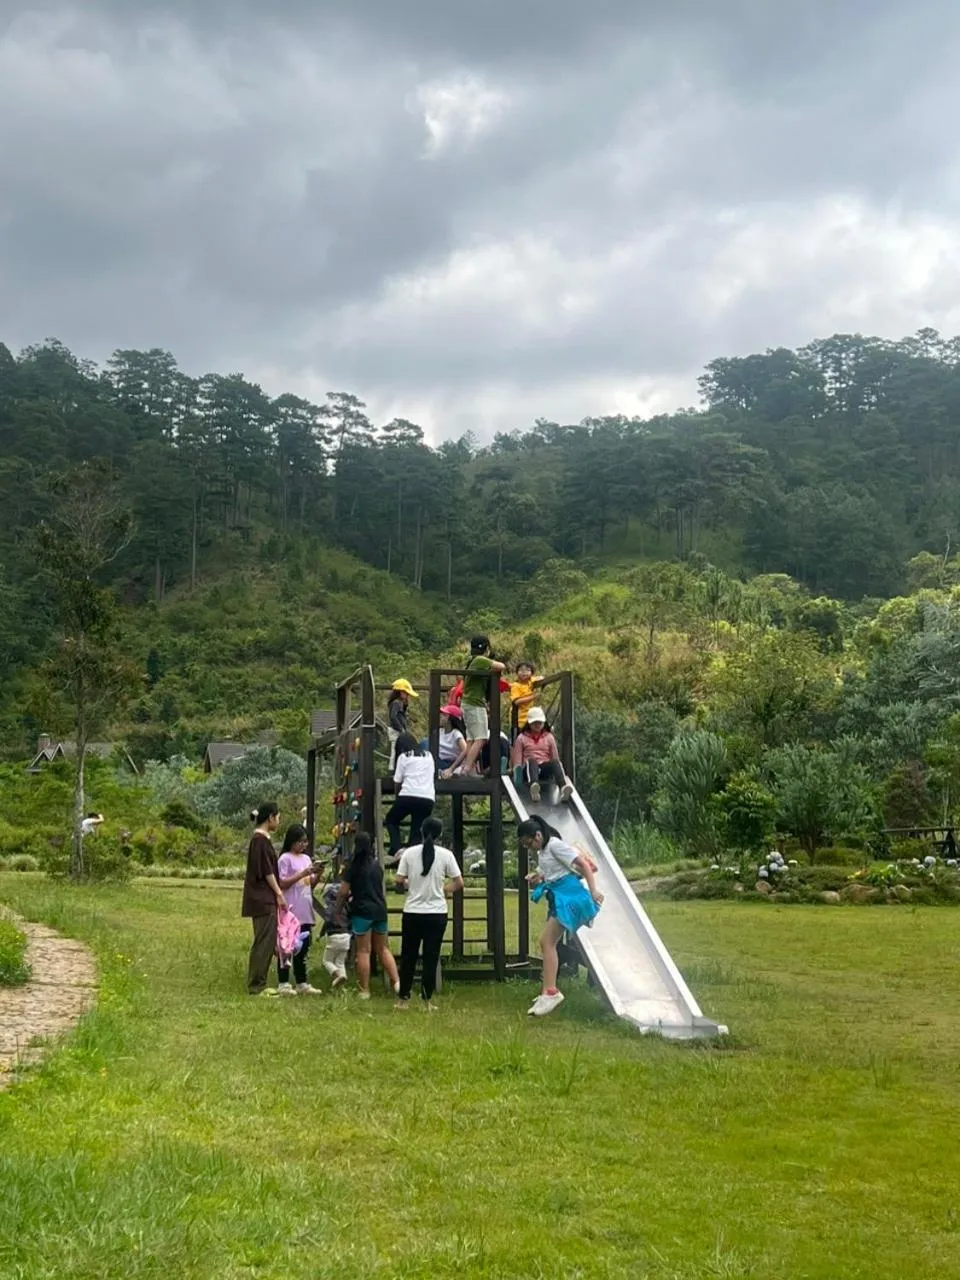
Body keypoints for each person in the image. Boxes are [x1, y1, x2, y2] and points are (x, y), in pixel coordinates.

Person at [517, 814, 604, 1017]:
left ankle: (551, 993)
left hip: (570, 896)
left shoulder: (555, 845)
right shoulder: (544, 850)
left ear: (537, 835)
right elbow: (552, 871)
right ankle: (546, 992)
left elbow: (582, 864)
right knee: (548, 943)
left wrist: (593, 891)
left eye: (528, 843)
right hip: (559, 896)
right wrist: (537, 877)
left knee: (546, 942)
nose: (528, 848)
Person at [241, 803, 315, 997]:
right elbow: (267, 871)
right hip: (262, 899)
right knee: (264, 942)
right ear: (270, 818)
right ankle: (257, 986)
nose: (279, 821)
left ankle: (261, 983)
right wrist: (279, 893)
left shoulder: (262, 840)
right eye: (278, 817)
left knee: (266, 941)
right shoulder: (260, 841)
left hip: (265, 899)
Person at [394, 816, 464, 1010]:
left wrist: (410, 885)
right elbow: (459, 883)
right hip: (436, 913)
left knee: (408, 956)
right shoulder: (446, 855)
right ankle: (427, 1000)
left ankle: (403, 999)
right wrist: (443, 890)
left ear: (421, 831)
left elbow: (399, 881)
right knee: (431, 957)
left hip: (412, 912)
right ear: (440, 834)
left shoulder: (409, 854)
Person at [335, 832, 400, 999]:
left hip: (362, 912)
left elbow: (343, 892)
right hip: (379, 910)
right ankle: (397, 982)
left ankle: (364, 990)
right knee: (383, 948)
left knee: (363, 951)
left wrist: (337, 910)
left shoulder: (352, 866)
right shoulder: (377, 866)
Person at [276, 824, 324, 996]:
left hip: (305, 908)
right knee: (287, 946)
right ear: (292, 841)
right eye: (300, 841)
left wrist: (317, 874)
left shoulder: (306, 858)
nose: (304, 845)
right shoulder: (285, 859)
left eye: (305, 841)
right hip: (290, 908)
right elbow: (282, 883)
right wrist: (303, 873)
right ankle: (283, 982)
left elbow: (310, 884)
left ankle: (301, 981)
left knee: (303, 948)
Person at [458, 636, 506, 777]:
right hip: (475, 704)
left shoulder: (471, 660)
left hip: (469, 704)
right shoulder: (480, 660)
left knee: (472, 740)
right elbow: (501, 666)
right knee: (481, 738)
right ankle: (467, 770)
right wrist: (491, 658)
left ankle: (467, 769)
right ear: (486, 648)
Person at [385, 733, 435, 862]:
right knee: (417, 829)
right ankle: (413, 857)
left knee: (391, 820)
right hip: (427, 798)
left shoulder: (404, 756)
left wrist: (397, 797)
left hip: (408, 795)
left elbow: (397, 782)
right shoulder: (429, 756)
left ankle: (397, 848)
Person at [510, 707, 573, 804]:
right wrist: (516, 773)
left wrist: (555, 770)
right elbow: (518, 761)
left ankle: (563, 787)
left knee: (555, 762)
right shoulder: (521, 738)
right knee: (532, 761)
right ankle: (534, 787)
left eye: (539, 722)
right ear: (529, 723)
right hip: (528, 770)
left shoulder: (549, 737)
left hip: (543, 769)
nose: (537, 725)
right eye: (535, 723)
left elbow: (555, 757)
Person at [320, 875, 352, 989]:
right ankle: (342, 983)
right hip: (346, 937)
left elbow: (327, 923)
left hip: (334, 937)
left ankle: (337, 975)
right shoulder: (346, 908)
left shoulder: (330, 909)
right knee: (340, 962)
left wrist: (320, 934)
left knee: (327, 961)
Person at [387, 678, 418, 768]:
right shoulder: (396, 703)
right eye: (406, 693)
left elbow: (402, 715)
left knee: (398, 749)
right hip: (396, 730)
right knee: (395, 750)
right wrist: (401, 729)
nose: (408, 695)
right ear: (400, 692)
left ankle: (398, 767)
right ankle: (393, 768)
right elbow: (393, 717)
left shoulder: (400, 703)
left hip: (398, 730)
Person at [510, 661, 543, 735]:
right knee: (518, 740)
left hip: (530, 718)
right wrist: (533, 696)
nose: (524, 672)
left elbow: (540, 678)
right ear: (517, 672)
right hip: (518, 720)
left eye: (527, 670)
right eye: (521, 670)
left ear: (531, 673)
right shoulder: (516, 685)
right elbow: (517, 702)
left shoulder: (530, 682)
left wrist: (540, 679)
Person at [437, 703, 468, 777]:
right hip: (438, 759)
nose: (441, 717)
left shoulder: (455, 734)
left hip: (449, 763)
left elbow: (466, 750)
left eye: (444, 715)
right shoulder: (440, 731)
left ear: (450, 719)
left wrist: (451, 768)